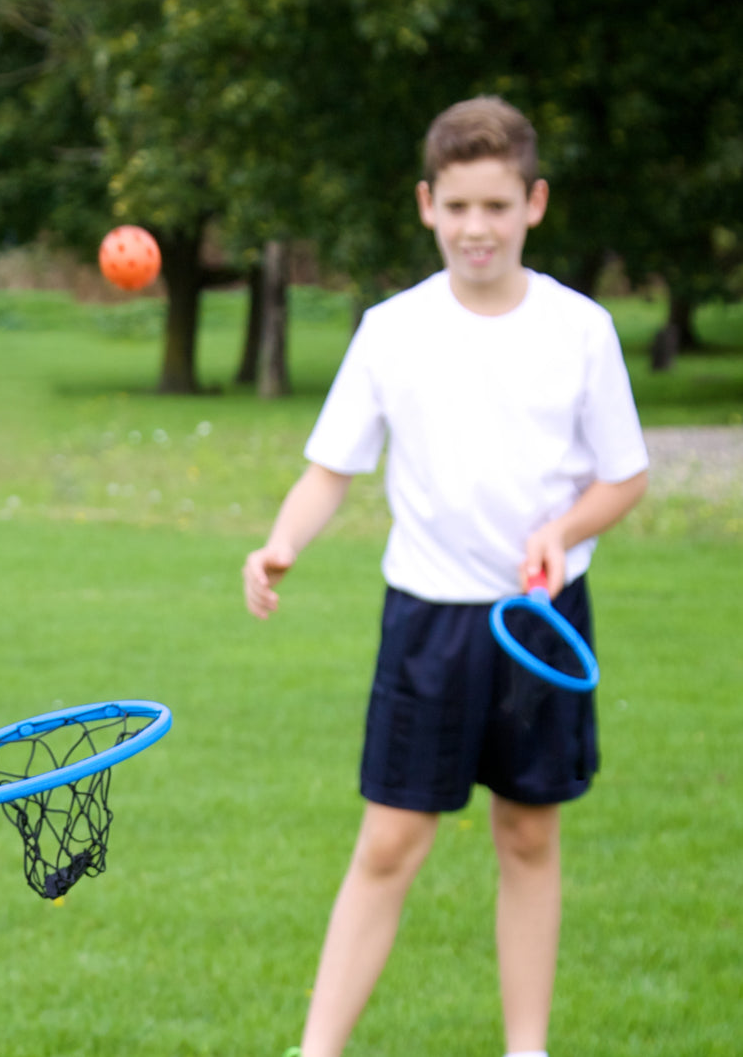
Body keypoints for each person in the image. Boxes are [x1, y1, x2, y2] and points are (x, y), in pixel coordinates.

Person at [243, 96, 649, 1057]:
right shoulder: (392, 329)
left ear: (533, 205)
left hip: (543, 618)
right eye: (458, 206)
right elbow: (329, 469)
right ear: (427, 205)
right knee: (388, 842)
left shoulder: (580, 329)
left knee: (528, 835)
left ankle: (525, 1048)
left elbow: (624, 475)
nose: (476, 228)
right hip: (426, 618)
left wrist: (564, 526)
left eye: (497, 207)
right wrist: (280, 542)